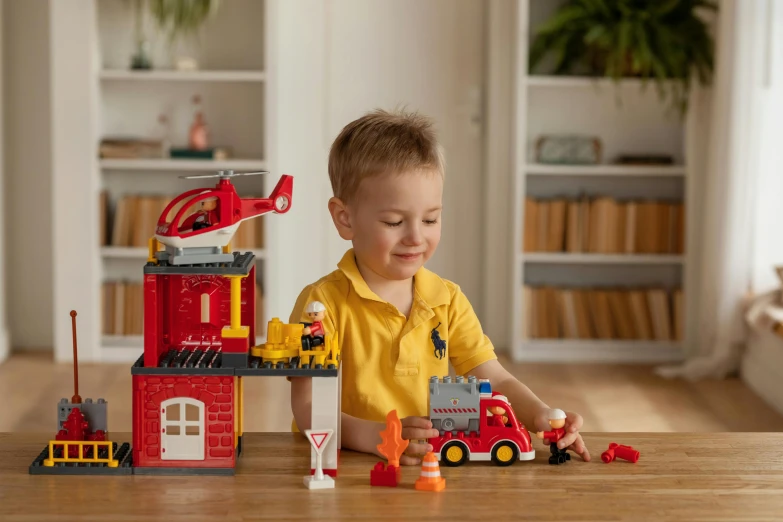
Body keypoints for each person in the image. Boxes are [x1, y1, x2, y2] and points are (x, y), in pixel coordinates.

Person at [289, 109, 590, 465]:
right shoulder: (321, 304)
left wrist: (540, 415)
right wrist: (370, 436)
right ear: (345, 218)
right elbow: (307, 403)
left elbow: (495, 379)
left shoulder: (447, 300)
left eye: (431, 218)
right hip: (345, 464)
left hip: (428, 466)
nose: (416, 237)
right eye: (394, 221)